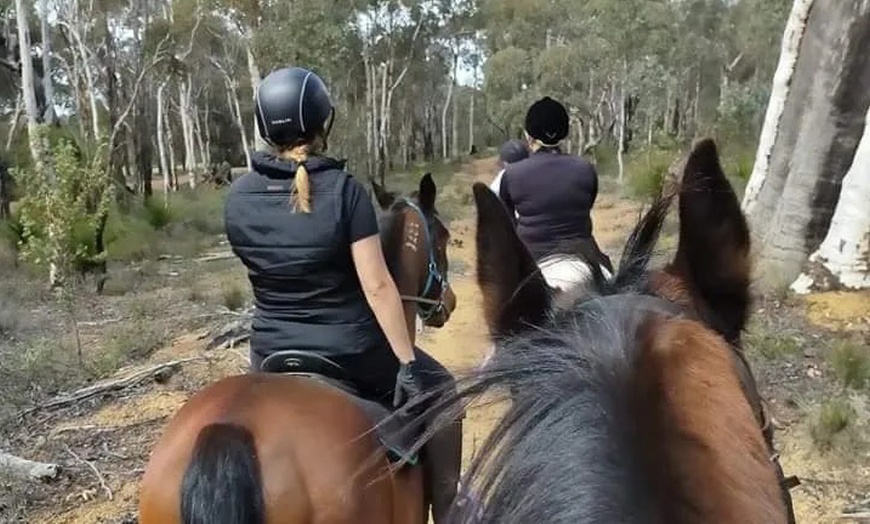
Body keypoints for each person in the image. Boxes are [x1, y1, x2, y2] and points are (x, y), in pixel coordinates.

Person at [223, 66, 461, 522]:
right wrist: (407, 364)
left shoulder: (238, 198)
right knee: (443, 389)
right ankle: (450, 509)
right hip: (350, 353)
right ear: (322, 122)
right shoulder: (345, 192)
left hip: (270, 352)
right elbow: (377, 285)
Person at [498, 96, 613, 273]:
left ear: (528, 136)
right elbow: (586, 206)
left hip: (532, 258)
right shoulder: (585, 168)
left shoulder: (512, 174)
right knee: (612, 277)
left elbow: (508, 223)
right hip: (585, 254)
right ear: (564, 134)